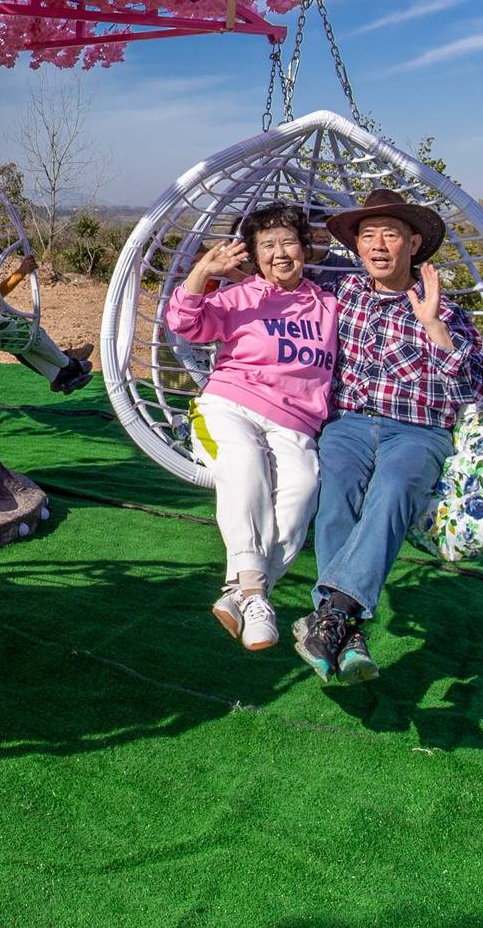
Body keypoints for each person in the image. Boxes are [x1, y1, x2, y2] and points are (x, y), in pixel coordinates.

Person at [295, 188, 483, 684]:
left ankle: (333, 614)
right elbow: (278, 294)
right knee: (336, 485)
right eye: (368, 235)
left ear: (413, 243)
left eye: (390, 234)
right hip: (351, 423)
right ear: (357, 248)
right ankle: (348, 628)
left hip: (419, 431)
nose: (378, 244)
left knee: (394, 488)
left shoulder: (444, 310)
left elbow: (473, 387)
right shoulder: (341, 296)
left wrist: (434, 330)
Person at [161, 203, 338, 651]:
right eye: (268, 247)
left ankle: (240, 593)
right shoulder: (242, 297)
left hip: (295, 421)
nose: (280, 254)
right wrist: (203, 271)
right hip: (231, 405)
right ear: (256, 257)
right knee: (245, 467)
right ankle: (258, 594)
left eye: (288, 243)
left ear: (305, 247)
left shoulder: (329, 306)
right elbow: (184, 323)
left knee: (302, 489)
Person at [0, 242, 93, 394]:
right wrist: (21, 272)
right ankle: (71, 363)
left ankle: (59, 377)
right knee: (30, 332)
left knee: (17, 344)